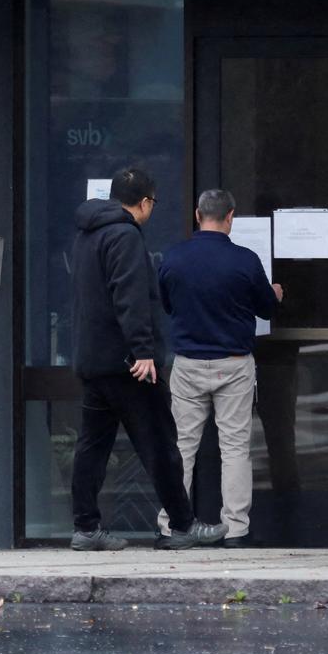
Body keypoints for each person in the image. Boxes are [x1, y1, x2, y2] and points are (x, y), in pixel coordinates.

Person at [68, 166, 225, 552]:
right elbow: (130, 296)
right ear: (144, 202)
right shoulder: (124, 236)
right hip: (128, 364)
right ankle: (183, 526)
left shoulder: (87, 236)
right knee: (160, 444)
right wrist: (143, 351)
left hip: (94, 360)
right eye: (152, 202)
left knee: (92, 447)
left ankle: (86, 528)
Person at [158, 188, 282, 548]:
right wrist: (274, 295)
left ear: (198, 215)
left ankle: (172, 526)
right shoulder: (245, 260)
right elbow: (266, 310)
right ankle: (236, 529)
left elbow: (167, 304)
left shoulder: (174, 257)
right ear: (230, 217)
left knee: (181, 447)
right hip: (234, 363)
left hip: (188, 363)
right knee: (235, 448)